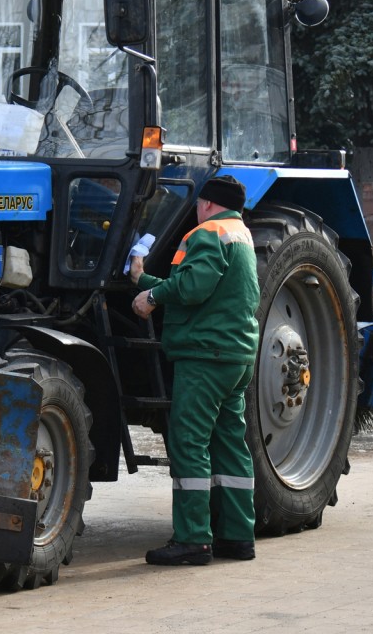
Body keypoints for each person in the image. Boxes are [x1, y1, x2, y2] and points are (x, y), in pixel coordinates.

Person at [129, 175, 260, 566]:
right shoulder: (240, 234)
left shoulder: (207, 232)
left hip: (205, 356)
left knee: (188, 441)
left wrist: (151, 295)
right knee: (229, 443)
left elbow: (193, 287)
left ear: (204, 203)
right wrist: (144, 280)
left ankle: (193, 539)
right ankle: (237, 537)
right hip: (235, 357)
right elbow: (200, 286)